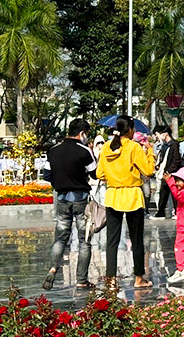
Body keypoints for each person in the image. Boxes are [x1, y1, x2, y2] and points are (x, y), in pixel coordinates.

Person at [94, 116, 156, 297]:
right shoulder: (133, 147)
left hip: (113, 195)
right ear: (130, 130)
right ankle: (138, 278)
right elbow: (148, 170)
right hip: (132, 196)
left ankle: (111, 280)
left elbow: (99, 173)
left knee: (112, 241)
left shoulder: (106, 147)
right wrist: (150, 153)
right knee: (136, 239)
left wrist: (114, 175)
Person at [42, 118, 97, 290]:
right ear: (82, 133)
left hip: (62, 199)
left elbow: (47, 175)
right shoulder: (85, 151)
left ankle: (52, 269)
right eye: (86, 134)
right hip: (80, 198)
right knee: (84, 240)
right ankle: (81, 280)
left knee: (60, 238)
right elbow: (95, 173)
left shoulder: (53, 150)